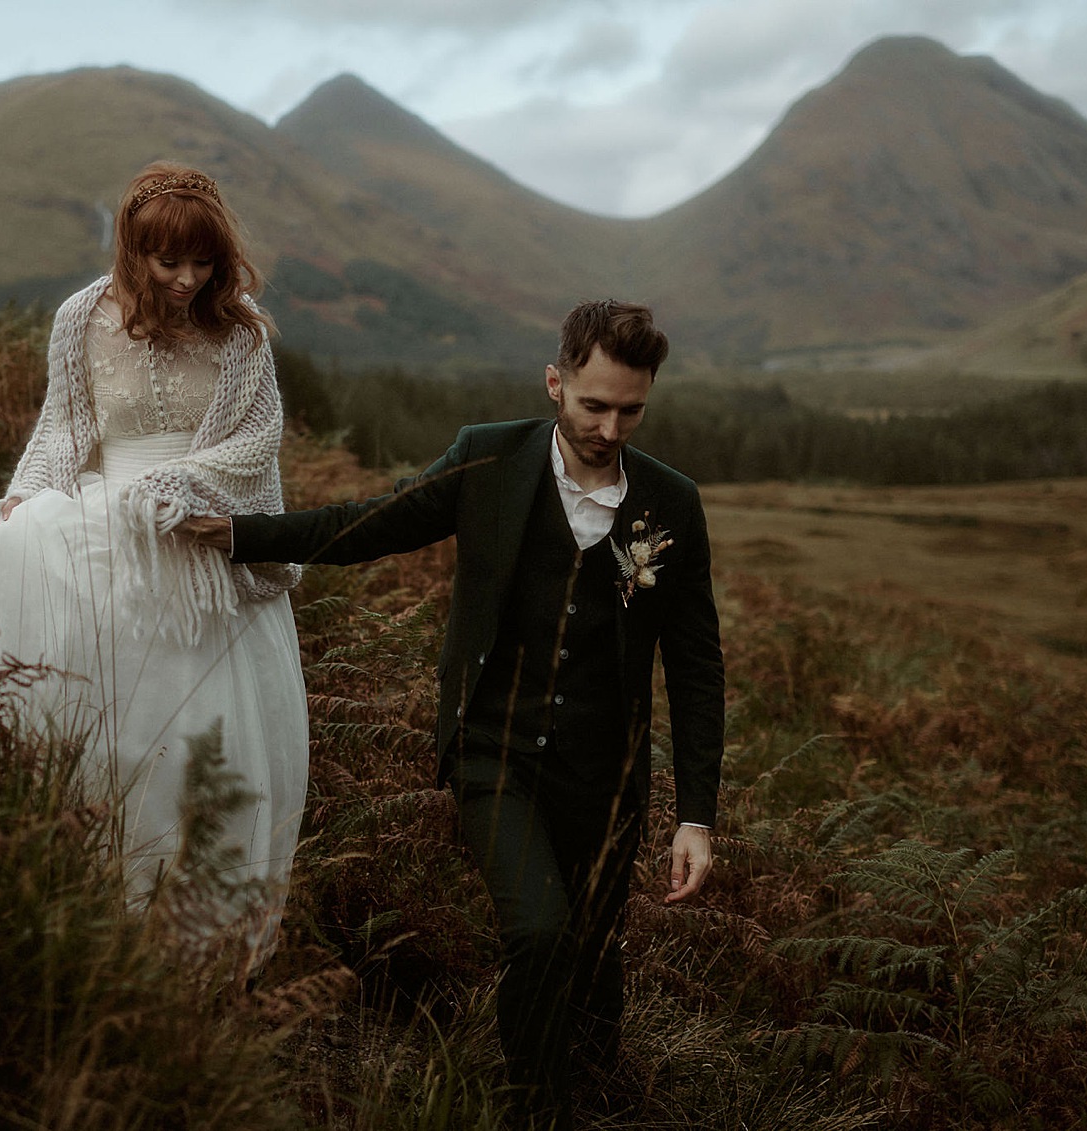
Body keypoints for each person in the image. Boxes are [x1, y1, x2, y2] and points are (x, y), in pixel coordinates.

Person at [182, 300, 724, 1128]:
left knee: (588, 960)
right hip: (492, 752)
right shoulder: (487, 459)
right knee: (539, 932)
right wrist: (241, 534)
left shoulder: (672, 504)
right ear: (555, 382)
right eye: (594, 404)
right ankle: (530, 1112)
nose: (611, 427)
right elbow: (370, 523)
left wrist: (695, 815)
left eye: (631, 409)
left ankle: (595, 1085)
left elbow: (694, 669)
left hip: (606, 776)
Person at [0, 162, 309, 964]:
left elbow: (253, 444)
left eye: (202, 262)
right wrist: (26, 497)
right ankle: (91, 896)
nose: (186, 280)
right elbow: (63, 429)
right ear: (132, 251)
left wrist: (182, 485)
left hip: (199, 536)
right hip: (107, 544)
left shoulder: (242, 333)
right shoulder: (82, 317)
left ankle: (190, 932)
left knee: (195, 742)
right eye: (166, 262)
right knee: (104, 724)